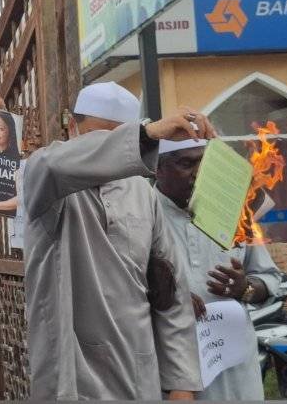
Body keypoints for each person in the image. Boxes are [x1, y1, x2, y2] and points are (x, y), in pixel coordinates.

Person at [22, 81, 210, 400]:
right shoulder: (46, 178)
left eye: (117, 138)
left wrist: (181, 386)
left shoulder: (142, 194)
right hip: (70, 377)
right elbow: (51, 164)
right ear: (71, 128)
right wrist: (147, 134)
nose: (109, 153)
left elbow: (171, 292)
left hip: (138, 374)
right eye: (98, 138)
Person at [155, 137, 283, 400]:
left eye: (203, 162)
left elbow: (269, 279)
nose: (197, 172)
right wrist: (166, 300)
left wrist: (245, 288)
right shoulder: (140, 213)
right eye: (185, 163)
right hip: (171, 367)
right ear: (158, 169)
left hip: (234, 370)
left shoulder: (234, 211)